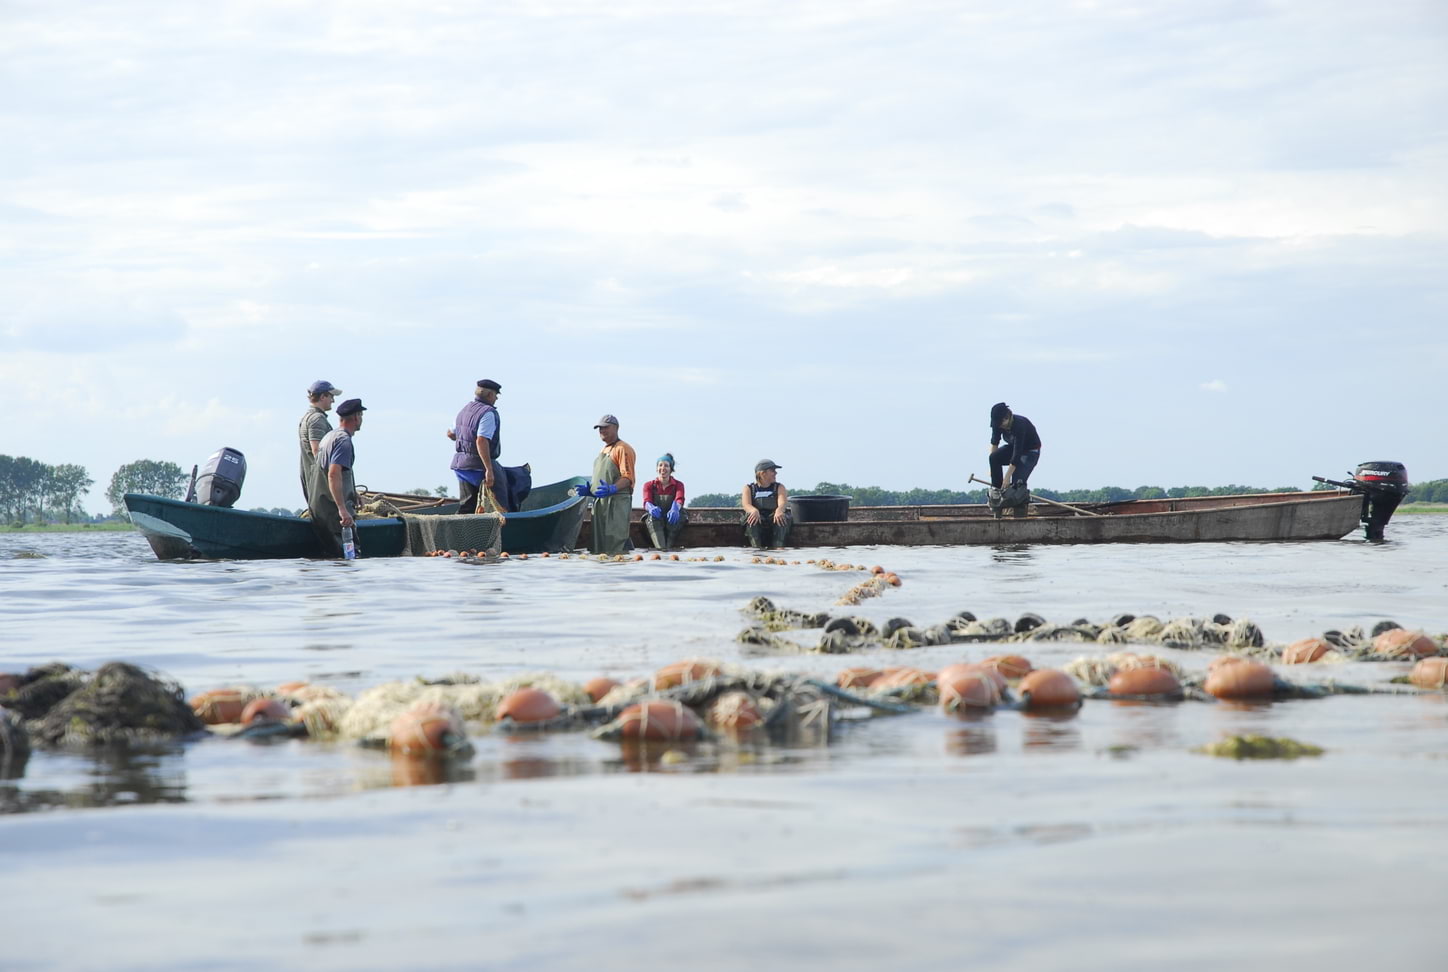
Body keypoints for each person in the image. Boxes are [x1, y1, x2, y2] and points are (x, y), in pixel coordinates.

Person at [307, 398, 366, 558]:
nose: (361, 419)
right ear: (356, 417)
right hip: (335, 514)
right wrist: (342, 509)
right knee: (348, 559)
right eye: (361, 415)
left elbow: (328, 472)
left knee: (330, 560)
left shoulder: (329, 437)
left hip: (320, 510)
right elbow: (333, 474)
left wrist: (353, 492)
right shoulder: (343, 441)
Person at [573, 414, 636, 554]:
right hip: (600, 506)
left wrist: (612, 488)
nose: (602, 430)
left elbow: (627, 477)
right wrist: (591, 491)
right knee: (599, 546)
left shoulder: (623, 448)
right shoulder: (603, 450)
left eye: (605, 427)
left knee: (615, 544)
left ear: (616, 428)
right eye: (599, 428)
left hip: (616, 504)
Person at [448, 379, 507, 513]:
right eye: (496, 395)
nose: (496, 399)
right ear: (490, 395)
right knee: (499, 504)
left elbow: (450, 433)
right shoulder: (488, 413)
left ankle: (460, 526)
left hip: (461, 466)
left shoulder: (464, 410)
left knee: (467, 506)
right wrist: (489, 470)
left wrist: (466, 437)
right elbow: (481, 440)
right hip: (478, 466)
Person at [297, 380, 340, 502]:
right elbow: (317, 451)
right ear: (322, 397)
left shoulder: (308, 417)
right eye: (331, 396)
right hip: (321, 486)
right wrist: (335, 481)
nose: (333, 400)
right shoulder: (317, 419)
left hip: (314, 483)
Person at [988, 402, 1042, 489]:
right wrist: (992, 469)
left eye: (1001, 424)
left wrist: (1007, 477)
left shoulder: (1020, 425)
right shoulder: (997, 425)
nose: (999, 427)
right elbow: (994, 443)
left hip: (1030, 452)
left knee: (1016, 483)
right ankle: (997, 490)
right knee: (994, 458)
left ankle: (1017, 491)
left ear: (1007, 418)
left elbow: (1017, 454)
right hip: (1013, 447)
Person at [640, 453, 687, 549]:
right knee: (651, 518)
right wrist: (650, 507)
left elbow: (679, 498)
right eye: (660, 465)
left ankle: (668, 548)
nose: (663, 468)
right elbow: (646, 500)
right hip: (657, 518)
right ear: (657, 468)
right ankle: (661, 549)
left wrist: (675, 508)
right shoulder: (649, 485)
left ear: (671, 469)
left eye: (666, 465)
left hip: (672, 519)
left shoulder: (679, 485)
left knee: (678, 517)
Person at [742, 460, 791, 548]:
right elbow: (746, 505)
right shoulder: (749, 488)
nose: (775, 473)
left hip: (773, 517)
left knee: (782, 518)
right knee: (751, 518)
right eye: (772, 471)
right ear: (763, 473)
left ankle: (779, 548)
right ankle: (756, 549)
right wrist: (754, 510)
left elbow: (782, 503)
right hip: (759, 517)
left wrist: (779, 510)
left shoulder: (779, 487)